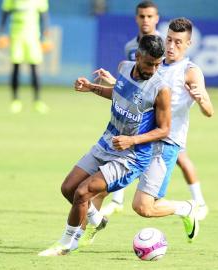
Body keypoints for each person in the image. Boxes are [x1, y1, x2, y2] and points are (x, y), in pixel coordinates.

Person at [38, 35, 175, 256]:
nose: (154, 69)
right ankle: (97, 219)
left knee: (83, 192)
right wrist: (92, 87)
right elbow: (119, 93)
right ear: (138, 57)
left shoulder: (161, 89)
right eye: (150, 63)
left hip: (131, 156)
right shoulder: (123, 68)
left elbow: (164, 129)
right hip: (107, 142)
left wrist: (132, 140)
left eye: (158, 64)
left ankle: (67, 242)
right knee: (69, 188)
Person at [88, 17, 213, 247]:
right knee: (98, 185)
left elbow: (209, 111)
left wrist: (201, 100)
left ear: (188, 44)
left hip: (165, 142)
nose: (171, 46)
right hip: (136, 137)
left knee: (143, 207)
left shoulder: (190, 72)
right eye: (169, 40)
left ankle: (185, 208)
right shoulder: (154, 61)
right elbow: (138, 95)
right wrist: (115, 82)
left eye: (177, 42)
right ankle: (87, 232)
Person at [0, 0, 52, 114]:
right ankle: (15, 100)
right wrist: (1, 33)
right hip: (16, 37)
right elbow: (5, 13)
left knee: (34, 69)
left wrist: (46, 36)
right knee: (16, 68)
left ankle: (37, 101)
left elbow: (44, 17)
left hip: (33, 38)